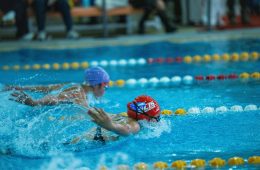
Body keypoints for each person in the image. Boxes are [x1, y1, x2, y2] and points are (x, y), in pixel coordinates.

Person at [68, 95, 161, 144]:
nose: (158, 121)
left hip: (80, 140)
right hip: (88, 144)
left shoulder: (120, 117)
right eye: (156, 117)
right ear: (144, 117)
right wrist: (111, 126)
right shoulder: (136, 125)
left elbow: (92, 112)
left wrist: (82, 105)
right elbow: (127, 130)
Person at [7, 66, 109, 109]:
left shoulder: (73, 84)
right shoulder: (78, 93)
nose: (105, 89)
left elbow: (46, 88)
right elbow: (55, 98)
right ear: (96, 84)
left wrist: (22, 88)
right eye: (105, 86)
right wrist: (35, 102)